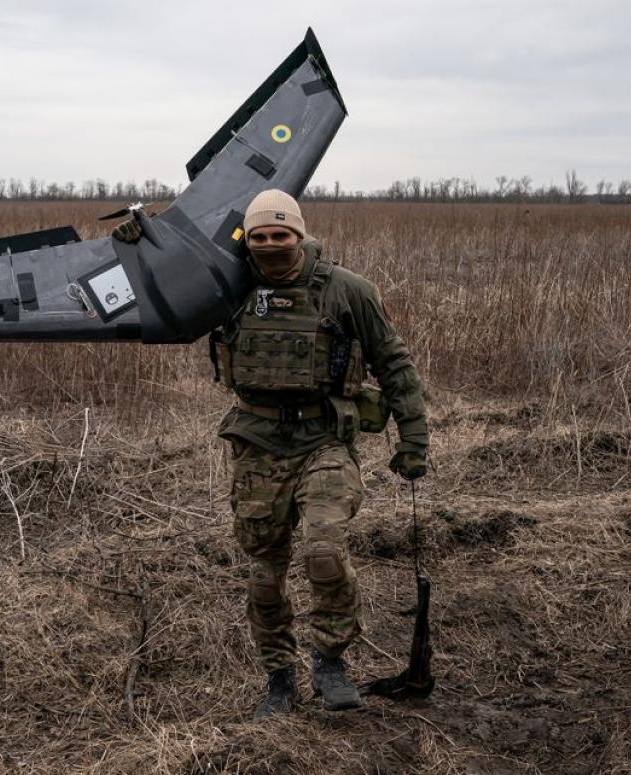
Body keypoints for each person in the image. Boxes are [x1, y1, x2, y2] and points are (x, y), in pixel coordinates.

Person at [114, 189, 429, 719]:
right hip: (257, 447)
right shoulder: (228, 289)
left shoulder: (346, 291)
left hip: (324, 441)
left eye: (281, 235)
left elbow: (393, 363)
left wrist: (414, 437)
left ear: (300, 234)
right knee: (265, 574)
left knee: (324, 550)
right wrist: (139, 250)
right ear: (247, 242)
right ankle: (279, 677)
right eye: (258, 238)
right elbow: (158, 297)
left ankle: (330, 660)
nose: (270, 246)